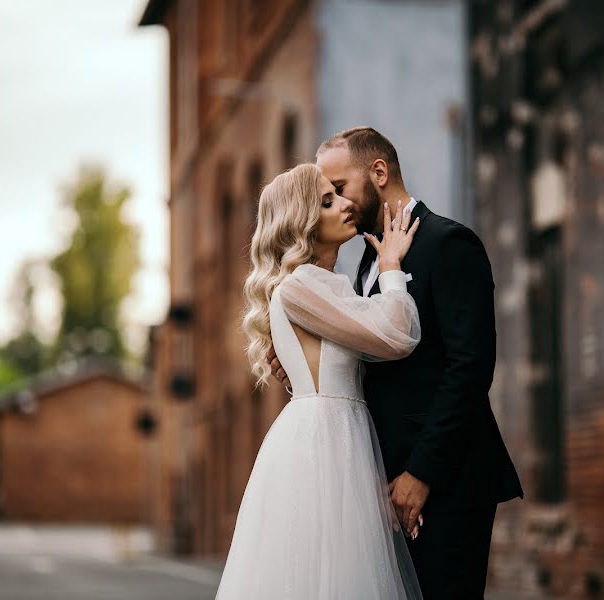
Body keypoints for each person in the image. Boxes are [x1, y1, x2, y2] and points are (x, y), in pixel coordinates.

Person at [270, 127, 524, 599]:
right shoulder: (363, 264)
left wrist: (421, 474)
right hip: (378, 488)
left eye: (339, 188)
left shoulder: (449, 243)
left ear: (379, 173)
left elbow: (469, 368)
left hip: (446, 484)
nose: (338, 203)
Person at [215, 163, 424, 599]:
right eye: (328, 201)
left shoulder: (327, 286)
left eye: (339, 195)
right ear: (302, 222)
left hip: (340, 434)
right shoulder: (300, 287)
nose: (347, 205)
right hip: (325, 442)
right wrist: (390, 267)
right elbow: (397, 336)